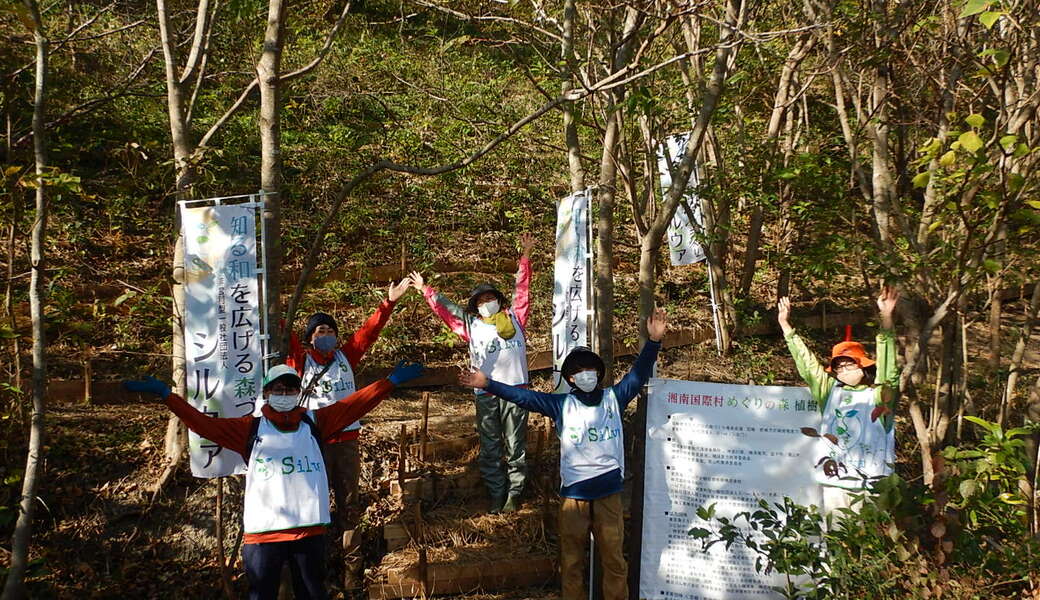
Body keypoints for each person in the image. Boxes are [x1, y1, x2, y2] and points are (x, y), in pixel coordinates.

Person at [124, 361, 423, 600]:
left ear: (298, 393)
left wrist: (390, 382)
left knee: (313, 593)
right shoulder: (249, 429)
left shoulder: (315, 422)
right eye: (278, 389)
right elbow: (204, 424)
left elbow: (356, 405)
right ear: (266, 393)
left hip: (309, 532)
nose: (284, 394)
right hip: (264, 536)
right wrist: (167, 395)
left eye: (290, 389)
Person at [460, 308, 668, 600]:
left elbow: (638, 374)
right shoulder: (560, 406)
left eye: (590, 370)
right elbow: (526, 397)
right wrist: (488, 384)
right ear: (570, 379)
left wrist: (654, 341)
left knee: (614, 561)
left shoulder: (614, 398)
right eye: (578, 372)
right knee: (571, 562)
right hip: (574, 496)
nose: (585, 375)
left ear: (599, 373)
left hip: (609, 492)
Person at [285, 277, 411, 587]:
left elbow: (369, 333)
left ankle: (351, 577)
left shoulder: (345, 357)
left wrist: (388, 303)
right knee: (313, 507)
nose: (326, 335)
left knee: (349, 506)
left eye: (330, 331)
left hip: (347, 443)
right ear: (309, 338)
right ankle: (315, 574)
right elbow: (282, 332)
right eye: (319, 331)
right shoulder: (300, 362)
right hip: (314, 443)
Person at [408, 232, 535, 513]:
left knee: (516, 446)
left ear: (499, 302)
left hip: (516, 390)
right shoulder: (471, 326)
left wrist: (525, 257)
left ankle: (514, 495)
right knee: (490, 448)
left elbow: (522, 289)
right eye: (481, 300)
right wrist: (425, 290)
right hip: (486, 391)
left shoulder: (516, 318)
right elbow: (447, 309)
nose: (486, 303)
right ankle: (496, 494)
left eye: (490, 298)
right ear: (475, 307)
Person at [777, 286, 900, 515]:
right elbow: (808, 366)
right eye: (839, 366)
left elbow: (889, 372)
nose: (844, 369)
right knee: (837, 541)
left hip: (873, 484)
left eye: (849, 364)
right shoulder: (829, 391)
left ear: (863, 365)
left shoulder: (879, 396)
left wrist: (886, 319)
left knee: (873, 543)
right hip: (835, 482)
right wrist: (787, 327)